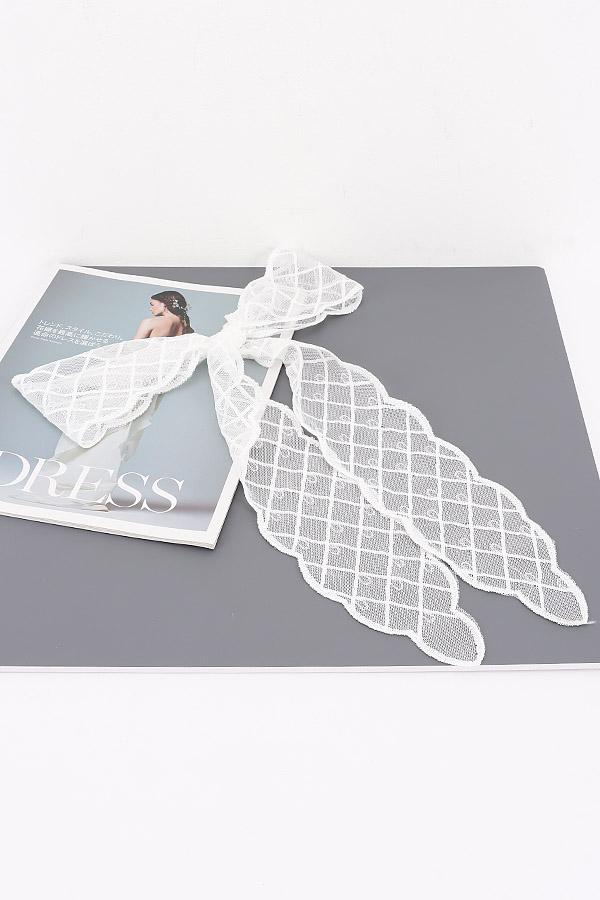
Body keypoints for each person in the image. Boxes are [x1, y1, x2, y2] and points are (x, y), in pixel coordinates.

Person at [12, 290, 193, 511]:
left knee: (91, 422)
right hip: (147, 386)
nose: (150, 308)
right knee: (117, 432)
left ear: (165, 304)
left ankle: (65, 482)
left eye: (153, 303)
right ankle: (93, 487)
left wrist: (97, 377)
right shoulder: (185, 330)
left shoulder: (150, 322)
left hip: (124, 380)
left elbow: (126, 354)